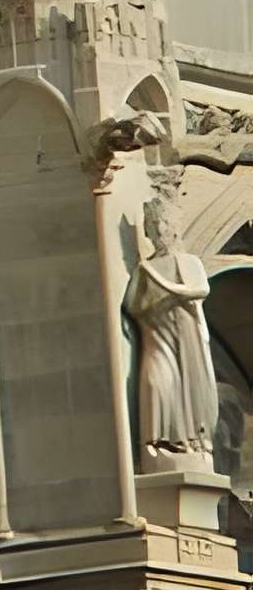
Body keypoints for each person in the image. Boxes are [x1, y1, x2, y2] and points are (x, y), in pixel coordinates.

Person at [125, 188, 216, 461]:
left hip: (187, 342)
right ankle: (158, 442)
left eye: (164, 223)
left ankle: (191, 440)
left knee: (189, 390)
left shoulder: (188, 262)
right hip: (157, 338)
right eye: (154, 225)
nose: (160, 229)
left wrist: (168, 290)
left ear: (174, 229)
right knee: (158, 382)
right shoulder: (145, 269)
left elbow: (200, 289)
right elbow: (132, 305)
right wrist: (155, 301)